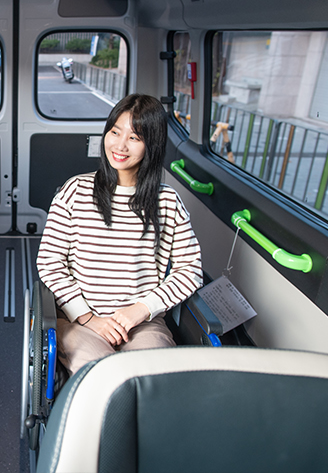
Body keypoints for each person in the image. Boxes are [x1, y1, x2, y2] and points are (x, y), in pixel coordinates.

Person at [37, 94, 203, 375]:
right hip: (79, 319)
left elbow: (190, 271)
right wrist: (88, 317)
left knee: (151, 378)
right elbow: (49, 262)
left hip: (142, 322)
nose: (120, 145)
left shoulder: (167, 202)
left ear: (151, 145)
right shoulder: (75, 191)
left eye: (134, 138)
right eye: (115, 132)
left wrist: (139, 311)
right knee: (102, 377)